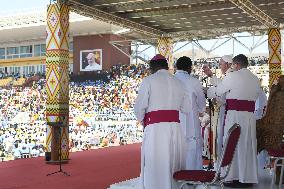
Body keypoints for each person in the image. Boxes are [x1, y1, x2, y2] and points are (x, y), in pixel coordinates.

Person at [134, 54, 191, 189]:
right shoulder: (179, 82)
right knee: (173, 161)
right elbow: (187, 108)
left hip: (155, 130)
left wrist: (143, 120)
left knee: (157, 162)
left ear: (152, 68)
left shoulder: (148, 81)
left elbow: (139, 108)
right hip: (175, 128)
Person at [207, 54, 261, 187]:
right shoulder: (255, 79)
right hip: (249, 116)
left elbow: (219, 91)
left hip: (235, 116)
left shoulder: (233, 76)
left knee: (233, 144)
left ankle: (231, 176)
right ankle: (246, 178)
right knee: (246, 145)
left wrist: (208, 91)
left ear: (236, 65)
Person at [175, 56, 206, 170]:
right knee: (192, 147)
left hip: (175, 120)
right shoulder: (193, 81)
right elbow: (201, 102)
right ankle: (194, 175)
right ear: (189, 68)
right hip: (191, 120)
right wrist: (200, 110)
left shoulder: (171, 80)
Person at [202, 55, 233, 160]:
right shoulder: (228, 75)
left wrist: (208, 91)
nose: (219, 66)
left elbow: (221, 91)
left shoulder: (231, 75)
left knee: (224, 139)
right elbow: (221, 86)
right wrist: (211, 75)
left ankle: (221, 163)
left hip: (227, 112)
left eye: (220, 64)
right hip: (225, 111)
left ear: (228, 64)